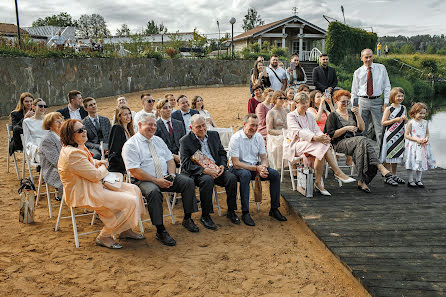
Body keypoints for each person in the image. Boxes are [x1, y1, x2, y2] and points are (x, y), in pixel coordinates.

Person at [58, 119, 145, 249]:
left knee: (134, 189)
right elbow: (95, 175)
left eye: (84, 128)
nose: (84, 131)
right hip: (84, 191)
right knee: (130, 201)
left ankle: (124, 229)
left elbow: (87, 162)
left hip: (94, 185)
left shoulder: (78, 146)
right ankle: (104, 235)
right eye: (80, 130)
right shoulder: (72, 153)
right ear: (70, 135)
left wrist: (97, 162)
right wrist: (104, 167)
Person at [122, 113, 199, 246]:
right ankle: (160, 230)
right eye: (149, 124)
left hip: (164, 176)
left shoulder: (158, 140)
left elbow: (170, 159)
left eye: (155, 125)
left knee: (188, 182)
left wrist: (172, 176)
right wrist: (156, 181)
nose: (153, 127)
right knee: (154, 192)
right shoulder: (131, 145)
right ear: (139, 125)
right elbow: (135, 170)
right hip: (143, 180)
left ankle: (187, 218)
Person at [324, 90, 400, 193]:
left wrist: (357, 115)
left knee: (361, 147)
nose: (346, 104)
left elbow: (362, 128)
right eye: (343, 102)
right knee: (363, 140)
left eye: (347, 102)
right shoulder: (332, 116)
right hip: (340, 143)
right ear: (336, 101)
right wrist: (346, 129)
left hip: (356, 142)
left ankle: (361, 182)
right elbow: (331, 135)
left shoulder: (351, 113)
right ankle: (380, 167)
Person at [284, 93, 356, 196]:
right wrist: (316, 138)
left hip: (312, 143)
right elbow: (299, 132)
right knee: (323, 146)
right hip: (296, 144)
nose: (305, 105)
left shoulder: (309, 115)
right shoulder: (291, 116)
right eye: (302, 103)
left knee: (322, 147)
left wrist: (324, 138)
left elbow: (316, 130)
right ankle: (337, 172)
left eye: (306, 103)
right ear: (296, 103)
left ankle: (318, 182)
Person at [180, 115, 240, 227]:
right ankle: (205, 215)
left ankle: (231, 211)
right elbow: (185, 164)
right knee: (207, 180)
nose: (202, 129)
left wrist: (222, 165)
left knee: (231, 178)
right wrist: (204, 170)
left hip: (216, 169)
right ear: (191, 127)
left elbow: (222, 153)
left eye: (204, 125)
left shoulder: (214, 135)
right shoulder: (185, 141)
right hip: (199, 172)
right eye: (198, 127)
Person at [228, 114, 288, 226]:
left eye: (256, 125)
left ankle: (274, 209)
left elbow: (264, 158)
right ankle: (245, 212)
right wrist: (257, 168)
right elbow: (236, 163)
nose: (254, 128)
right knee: (245, 175)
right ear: (244, 124)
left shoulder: (258, 137)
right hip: (237, 169)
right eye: (251, 125)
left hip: (254, 167)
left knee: (274, 174)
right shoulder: (236, 138)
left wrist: (263, 168)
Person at [351, 48, 391, 147]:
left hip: (377, 101)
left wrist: (386, 103)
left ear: (373, 56)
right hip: (362, 102)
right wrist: (355, 105)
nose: (368, 59)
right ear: (361, 58)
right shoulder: (358, 72)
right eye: (366, 57)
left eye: (370, 57)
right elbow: (354, 91)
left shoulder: (381, 68)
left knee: (380, 129)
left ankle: (381, 157)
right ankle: (362, 153)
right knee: (362, 129)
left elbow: (387, 86)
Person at [405, 103, 437, 188]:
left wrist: (426, 138)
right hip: (413, 146)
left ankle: (418, 180)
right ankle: (410, 180)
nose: (422, 115)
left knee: (421, 162)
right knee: (411, 162)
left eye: (424, 113)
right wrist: (416, 139)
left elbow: (427, 133)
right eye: (420, 113)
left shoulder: (425, 122)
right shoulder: (411, 123)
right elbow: (406, 135)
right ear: (414, 112)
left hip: (423, 146)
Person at [380, 87, 407, 183]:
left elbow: (406, 121)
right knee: (388, 156)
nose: (400, 98)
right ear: (393, 97)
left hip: (400, 135)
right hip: (390, 135)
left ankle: (394, 175)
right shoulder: (389, 109)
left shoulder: (403, 108)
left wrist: (405, 119)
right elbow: (383, 122)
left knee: (396, 155)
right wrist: (395, 120)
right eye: (398, 96)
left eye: (402, 96)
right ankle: (387, 176)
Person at [39, 112, 64, 199]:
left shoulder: (65, 136)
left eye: (62, 120)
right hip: (54, 171)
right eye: (57, 122)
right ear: (50, 126)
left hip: (67, 167)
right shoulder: (47, 140)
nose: (61, 123)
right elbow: (56, 161)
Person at [154, 98, 185, 166]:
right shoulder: (155, 126)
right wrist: (173, 156)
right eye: (165, 108)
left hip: (182, 157)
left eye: (169, 107)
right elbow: (157, 147)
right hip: (165, 160)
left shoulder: (179, 124)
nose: (168, 109)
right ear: (159, 111)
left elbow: (184, 141)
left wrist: (181, 155)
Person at [108, 105, 135, 174]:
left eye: (129, 113)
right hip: (121, 167)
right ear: (119, 117)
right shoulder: (117, 128)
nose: (128, 116)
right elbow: (115, 152)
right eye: (125, 114)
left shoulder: (130, 129)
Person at [266, 91, 288, 170]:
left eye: (284, 98)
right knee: (280, 145)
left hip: (287, 134)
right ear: (275, 99)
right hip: (275, 137)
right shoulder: (271, 113)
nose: (282, 100)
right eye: (280, 98)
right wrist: (282, 133)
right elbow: (269, 130)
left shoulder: (286, 111)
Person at [23, 98, 48, 164]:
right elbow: (27, 142)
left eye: (45, 106)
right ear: (33, 107)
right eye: (40, 106)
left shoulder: (48, 120)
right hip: (36, 149)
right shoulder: (27, 122)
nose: (43, 108)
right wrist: (36, 148)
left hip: (49, 146)